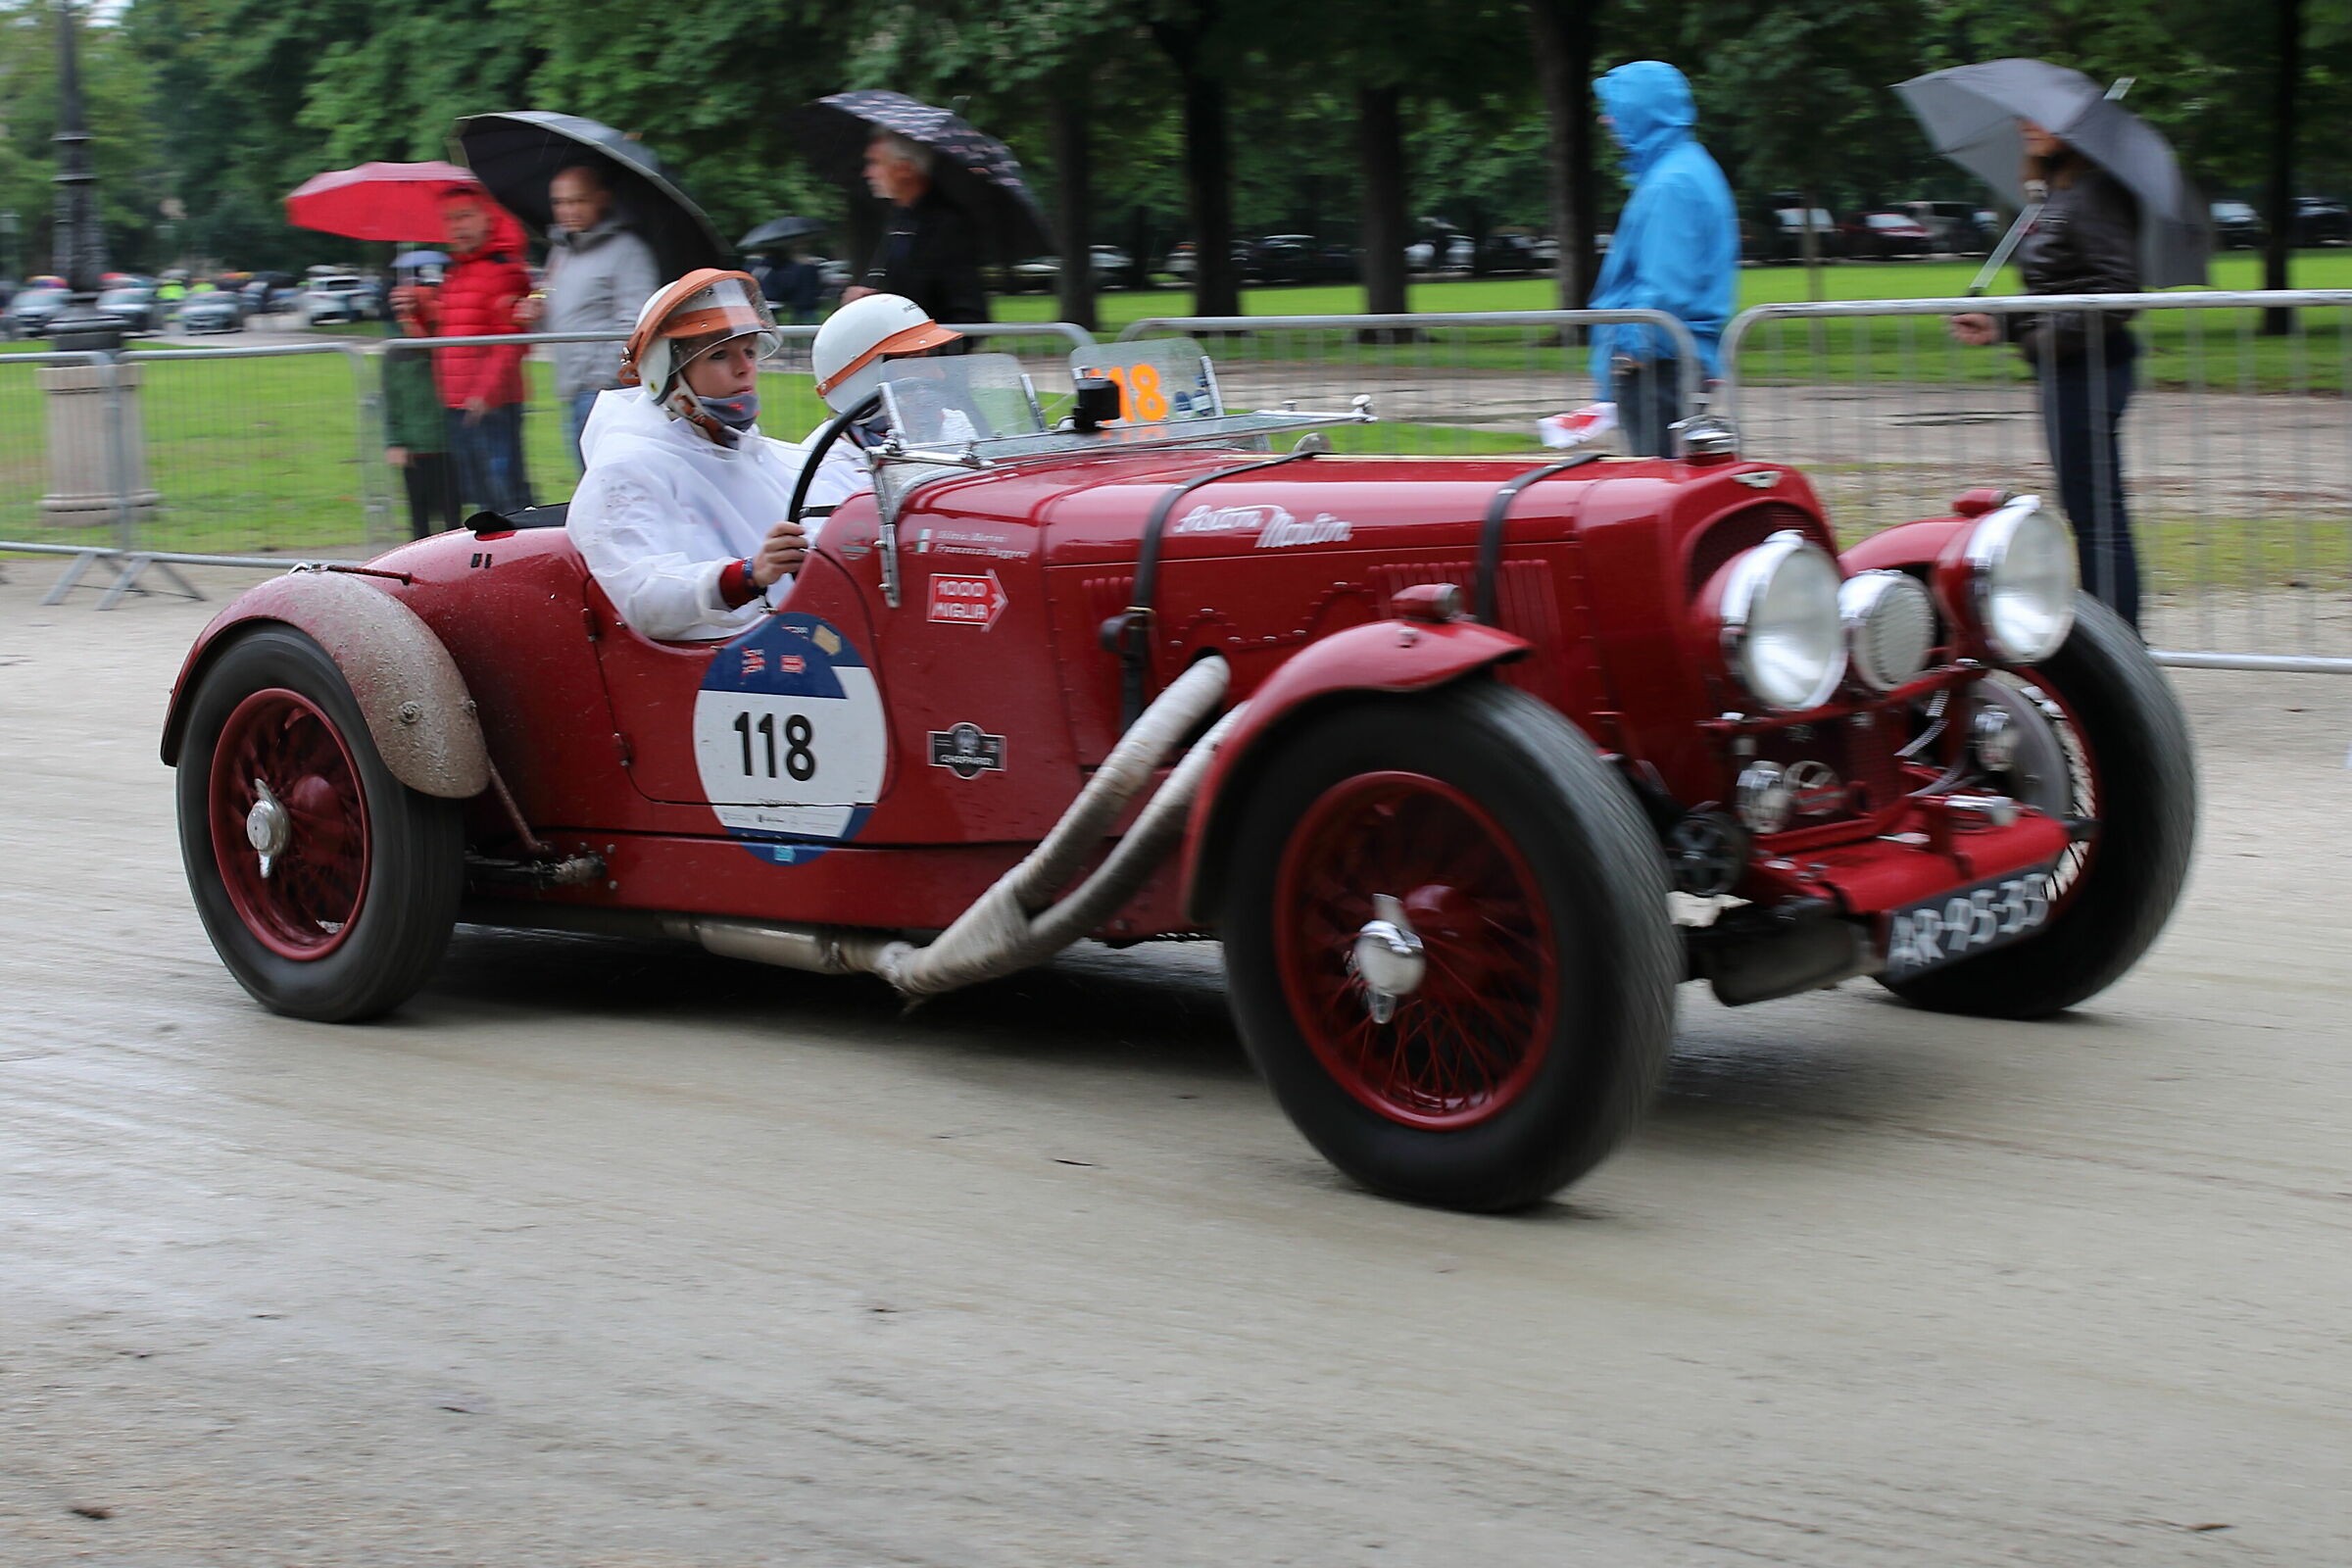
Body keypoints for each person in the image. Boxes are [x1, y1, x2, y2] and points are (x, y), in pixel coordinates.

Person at [1949, 120, 2143, 631]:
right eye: (2020, 117)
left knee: (2099, 519)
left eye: (2041, 118)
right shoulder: (2056, 193)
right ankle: (2115, 649)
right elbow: (2055, 290)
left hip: (2091, 367)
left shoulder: (2094, 190)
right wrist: (2000, 322)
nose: (2026, 126)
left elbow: (2117, 290)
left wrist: (2042, 338)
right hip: (2066, 366)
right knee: (2087, 512)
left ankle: (2119, 651)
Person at [567, 270, 816, 641]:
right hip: (719, 669)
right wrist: (750, 574)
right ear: (664, 371)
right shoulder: (624, 467)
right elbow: (643, 595)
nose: (744, 367)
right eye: (719, 354)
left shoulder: (749, 449)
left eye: (749, 351)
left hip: (791, 645)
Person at [1584, 60, 1738, 458]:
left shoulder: (1671, 183)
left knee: (1659, 496)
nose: (1605, 119)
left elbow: (1665, 287)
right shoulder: (1683, 169)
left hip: (1659, 368)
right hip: (1671, 363)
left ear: (1642, 109)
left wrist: (1628, 352)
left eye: (1614, 109)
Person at [513, 162, 662, 471]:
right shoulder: (562, 252)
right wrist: (537, 315)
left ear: (602, 199)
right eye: (560, 202)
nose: (568, 210)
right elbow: (564, 322)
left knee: (610, 485)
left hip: (606, 392)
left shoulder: (627, 251)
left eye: (578, 200)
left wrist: (600, 377)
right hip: (574, 390)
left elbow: (635, 323)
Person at [414, 185, 534, 516]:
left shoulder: (504, 271)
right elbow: (441, 338)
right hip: (457, 401)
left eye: (465, 216)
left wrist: (485, 394)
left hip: (492, 404)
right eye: (450, 220)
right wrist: (416, 312)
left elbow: (511, 341)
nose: (457, 227)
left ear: (489, 218)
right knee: (480, 494)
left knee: (505, 493)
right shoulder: (456, 273)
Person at [789, 292, 965, 510]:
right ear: (862, 379)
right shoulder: (822, 468)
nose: (939, 375)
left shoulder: (952, 424)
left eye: (930, 358)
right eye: (915, 363)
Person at [839, 131, 987, 335]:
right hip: (900, 362)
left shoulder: (946, 225)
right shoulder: (900, 220)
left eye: (875, 163)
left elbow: (969, 316)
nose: (868, 173)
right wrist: (867, 303)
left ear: (904, 168)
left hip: (933, 364)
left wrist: (927, 352)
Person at [383, 257, 460, 539]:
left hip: (448, 446)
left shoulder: (442, 345)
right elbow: (390, 399)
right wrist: (395, 441)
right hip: (415, 450)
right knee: (419, 517)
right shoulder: (395, 353)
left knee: (453, 515)